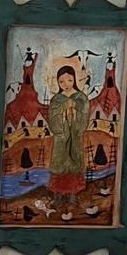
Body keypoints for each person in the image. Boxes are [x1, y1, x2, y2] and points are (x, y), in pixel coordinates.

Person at [46, 65, 88, 201]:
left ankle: (72, 195)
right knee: (60, 164)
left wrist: (75, 111)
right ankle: (57, 195)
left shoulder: (81, 98)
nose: (66, 84)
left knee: (74, 163)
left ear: (74, 80)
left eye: (69, 80)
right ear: (57, 82)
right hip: (61, 139)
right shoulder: (56, 100)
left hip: (75, 137)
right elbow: (53, 120)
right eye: (61, 81)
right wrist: (62, 114)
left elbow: (84, 116)